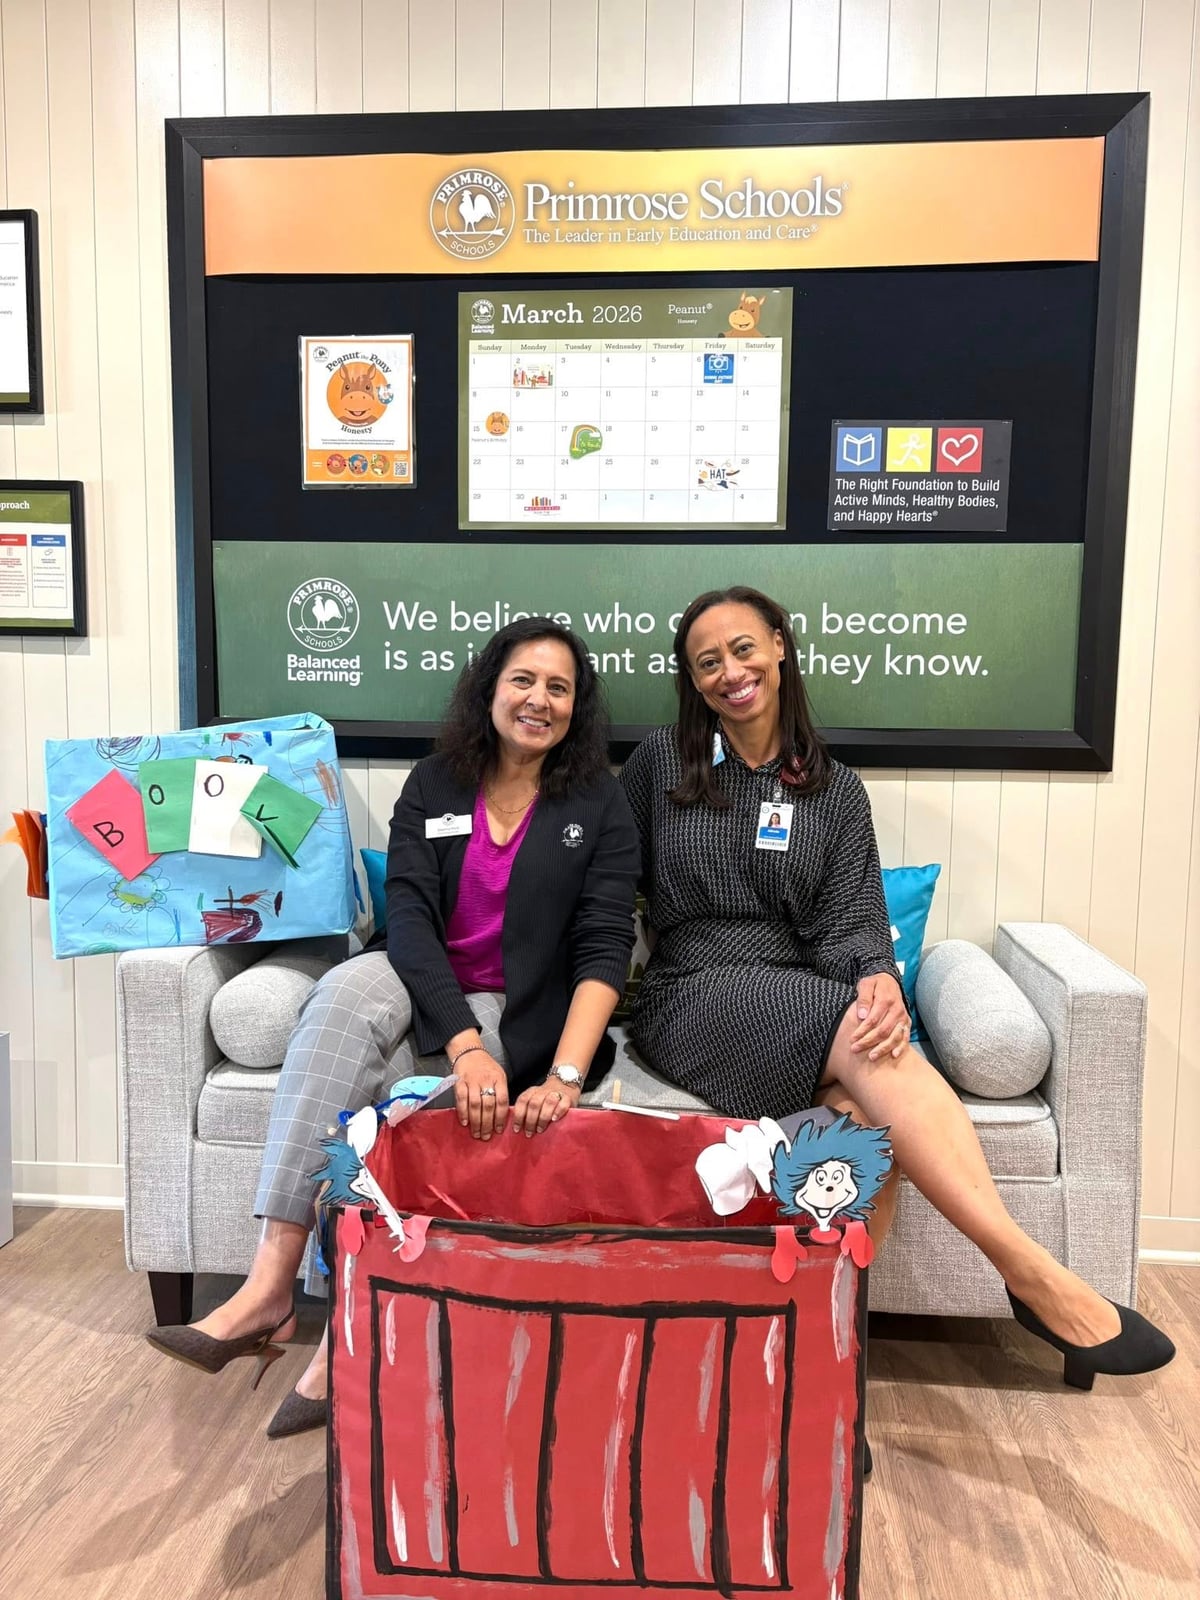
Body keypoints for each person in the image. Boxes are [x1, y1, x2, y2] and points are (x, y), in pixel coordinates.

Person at [621, 585, 1174, 1395]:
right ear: (691, 681)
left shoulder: (834, 788)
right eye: (707, 663)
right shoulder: (661, 764)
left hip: (801, 989)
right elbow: (604, 882)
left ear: (779, 645)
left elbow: (853, 917)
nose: (729, 673)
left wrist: (875, 972)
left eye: (743, 648)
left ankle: (829, 1375)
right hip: (694, 989)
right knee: (868, 1044)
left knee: (857, 1129)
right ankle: (1030, 1273)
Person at [146, 618, 640, 1434]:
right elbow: (408, 915)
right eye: (524, 680)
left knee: (390, 1091)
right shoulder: (436, 782)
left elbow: (602, 946)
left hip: (514, 1000)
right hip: (420, 975)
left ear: (577, 707)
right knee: (335, 1005)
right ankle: (270, 1281)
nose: (539, 700)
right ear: (490, 688)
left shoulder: (600, 801)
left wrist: (561, 1074)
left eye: (560, 687)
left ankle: (343, 1324)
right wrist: (465, 1046)